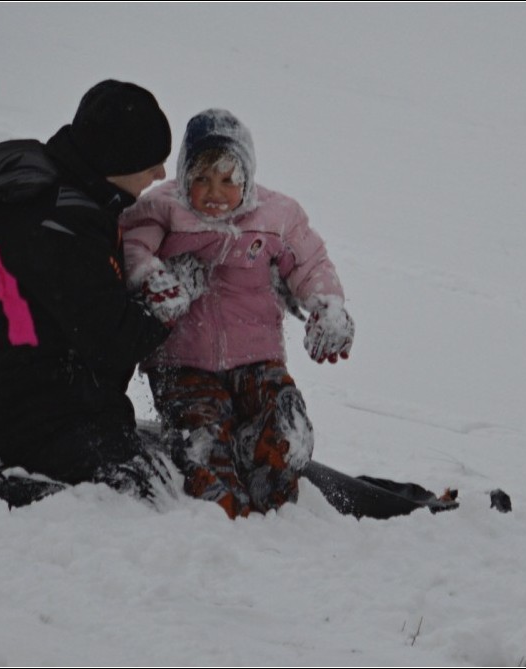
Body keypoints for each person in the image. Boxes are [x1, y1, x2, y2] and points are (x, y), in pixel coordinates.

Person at [0, 80, 177, 509]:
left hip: (48, 399)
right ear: (118, 157)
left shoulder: (72, 198)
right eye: (152, 162)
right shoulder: (59, 222)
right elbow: (111, 338)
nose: (160, 175)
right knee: (128, 498)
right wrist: (165, 309)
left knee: (153, 477)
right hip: (39, 416)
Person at [119, 109, 356, 519]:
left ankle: (273, 483)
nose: (215, 192)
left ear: (247, 178)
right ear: (183, 177)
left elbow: (310, 263)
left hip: (257, 358)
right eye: (202, 179)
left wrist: (326, 307)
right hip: (184, 363)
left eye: (228, 180)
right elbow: (132, 247)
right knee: (203, 439)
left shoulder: (276, 217)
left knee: (282, 421)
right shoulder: (163, 208)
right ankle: (222, 506)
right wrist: (152, 279)